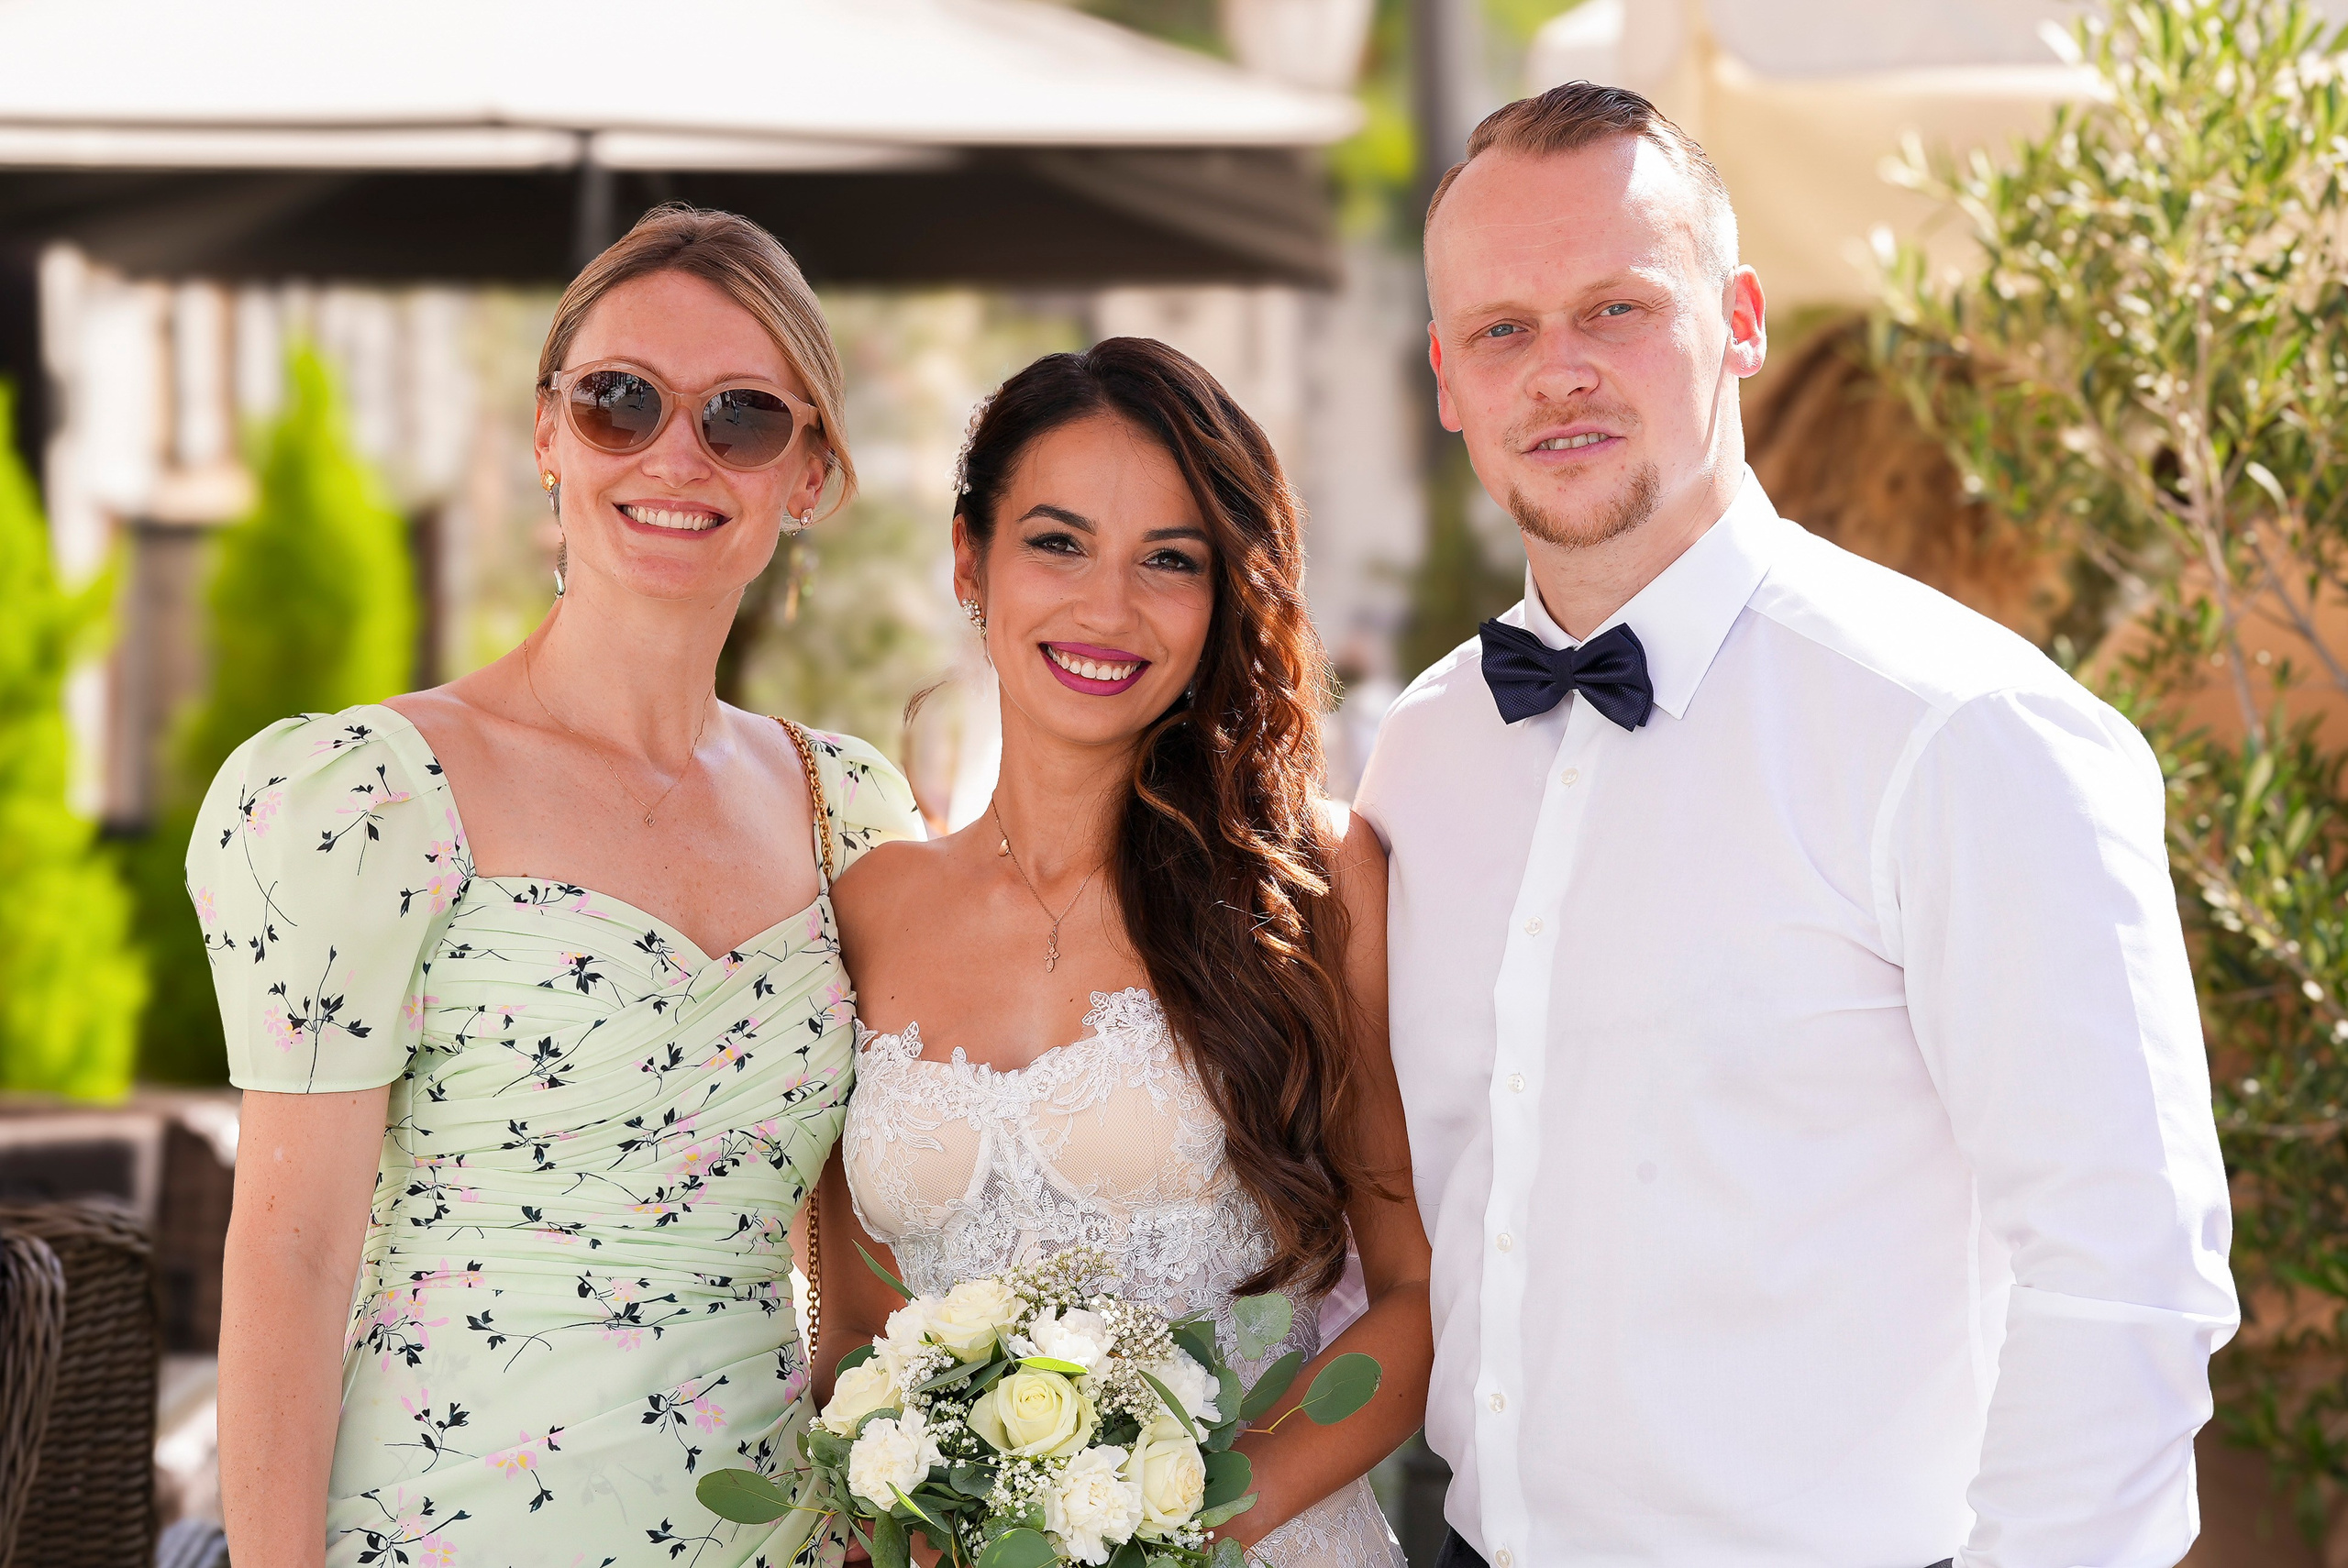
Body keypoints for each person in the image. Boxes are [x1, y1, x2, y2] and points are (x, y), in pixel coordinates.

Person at [1352, 83, 2239, 1568]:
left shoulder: (1963, 731)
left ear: (1740, 317)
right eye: (1502, 329)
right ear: (1447, 378)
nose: (1556, 369)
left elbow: (2125, 1268)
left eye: (1618, 308)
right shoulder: (1427, 755)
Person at [190, 206, 918, 1568]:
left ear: (809, 473)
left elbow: (857, 1259)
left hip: (780, 1536)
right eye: (619, 402)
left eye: (744, 417)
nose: (675, 455)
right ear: (546, 436)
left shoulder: (851, 811)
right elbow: (288, 1264)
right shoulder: (370, 797)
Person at [817, 338, 1433, 1563]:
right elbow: (849, 1327)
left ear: (1222, 597)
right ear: (968, 559)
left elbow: (1414, 1302)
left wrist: (1194, 1521)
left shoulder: (1315, 884)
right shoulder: (866, 905)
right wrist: (909, 1519)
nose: (1108, 607)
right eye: (1058, 542)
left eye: (1169, 559)